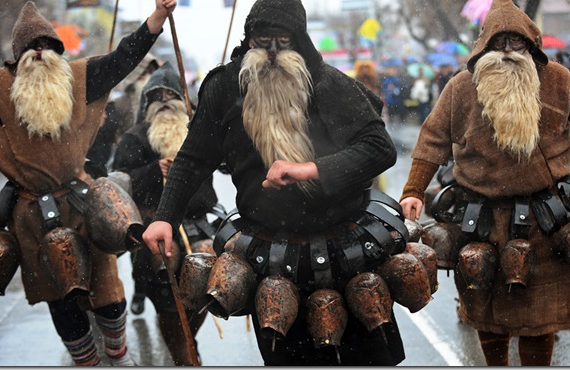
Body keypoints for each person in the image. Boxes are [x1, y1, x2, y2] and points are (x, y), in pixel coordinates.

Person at [143, 0, 408, 365]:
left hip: (348, 249)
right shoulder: (224, 87)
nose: (270, 52)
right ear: (247, 38)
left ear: (300, 41)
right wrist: (164, 216)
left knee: (368, 359)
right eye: (261, 39)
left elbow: (380, 149)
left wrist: (309, 170)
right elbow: (192, 160)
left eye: (282, 40)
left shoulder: (328, 82)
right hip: (272, 255)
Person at [398, 0, 570, 366]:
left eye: (517, 43)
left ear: (532, 46)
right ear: (484, 48)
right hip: (480, 222)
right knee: (488, 317)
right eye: (500, 43)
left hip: (545, 222)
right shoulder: (461, 87)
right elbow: (431, 140)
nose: (509, 52)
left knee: (541, 321)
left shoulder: (559, 80)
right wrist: (413, 191)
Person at [0, 0, 177, 366]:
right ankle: (87, 362)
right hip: (30, 215)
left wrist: (158, 17)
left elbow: (123, 57)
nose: (39, 52)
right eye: (31, 49)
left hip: (83, 207)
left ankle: (117, 354)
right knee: (59, 298)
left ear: (59, 55)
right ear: (15, 60)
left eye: (47, 47)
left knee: (109, 295)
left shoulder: (80, 78)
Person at [112, 61, 222, 365]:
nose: (163, 100)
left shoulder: (196, 137)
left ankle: (188, 346)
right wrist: (151, 172)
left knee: (200, 291)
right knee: (168, 301)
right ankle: (184, 356)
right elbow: (119, 183)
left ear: (183, 100)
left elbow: (209, 186)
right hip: (153, 229)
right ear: (146, 102)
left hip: (197, 228)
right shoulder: (135, 138)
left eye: (170, 94)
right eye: (156, 95)